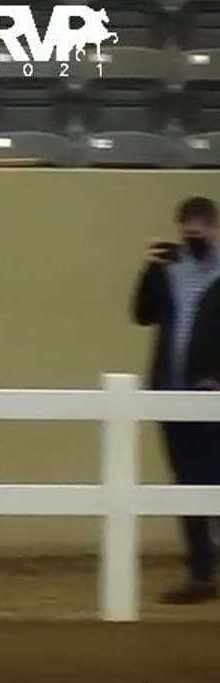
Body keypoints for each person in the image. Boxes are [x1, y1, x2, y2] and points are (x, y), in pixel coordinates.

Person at [132, 196, 220, 604]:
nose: (194, 230)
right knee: (187, 484)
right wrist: (149, 268)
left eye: (202, 223)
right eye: (187, 223)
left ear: (215, 227)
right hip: (170, 393)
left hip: (214, 399)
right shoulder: (168, 269)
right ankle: (201, 573)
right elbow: (141, 314)